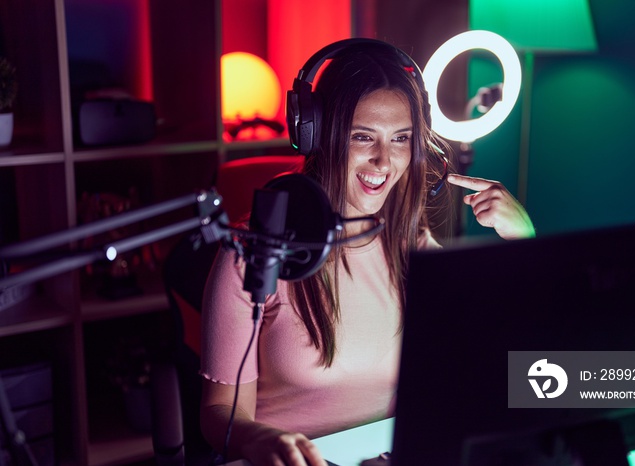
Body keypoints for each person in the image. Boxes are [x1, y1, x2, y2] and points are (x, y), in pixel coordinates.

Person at [199, 39, 535, 466]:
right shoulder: (254, 253)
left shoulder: (408, 240)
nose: (383, 161)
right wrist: (254, 440)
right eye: (363, 136)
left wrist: (523, 239)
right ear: (317, 134)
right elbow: (217, 414)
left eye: (400, 139)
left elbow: (489, 347)